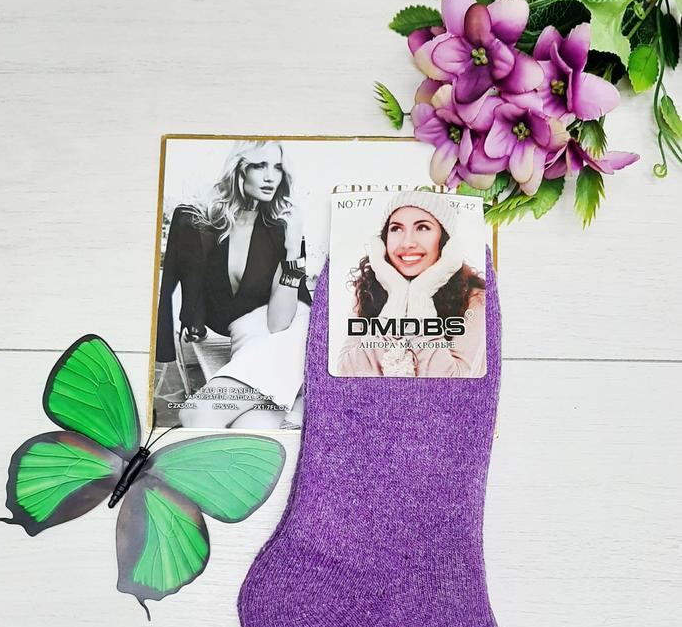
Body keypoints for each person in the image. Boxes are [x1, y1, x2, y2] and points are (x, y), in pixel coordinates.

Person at [154, 139, 311, 428]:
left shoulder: (282, 230)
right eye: (259, 166)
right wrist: (165, 349)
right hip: (247, 336)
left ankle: (303, 401)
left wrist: (292, 248)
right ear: (239, 169)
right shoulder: (193, 219)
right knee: (250, 427)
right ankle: (301, 405)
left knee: (196, 416)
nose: (270, 177)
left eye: (277, 168)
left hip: (284, 331)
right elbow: (166, 287)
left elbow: (279, 323)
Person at [337, 192, 486, 378]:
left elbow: (453, 384)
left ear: (445, 241)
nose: (407, 242)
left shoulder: (476, 299)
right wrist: (397, 296)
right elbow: (347, 373)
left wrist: (420, 295)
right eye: (396, 229)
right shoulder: (369, 290)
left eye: (422, 227)